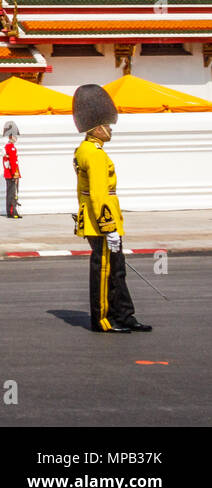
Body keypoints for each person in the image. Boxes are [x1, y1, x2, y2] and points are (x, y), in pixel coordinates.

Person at [72, 85, 151, 334]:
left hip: (103, 221)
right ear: (96, 127)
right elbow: (97, 194)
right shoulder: (93, 155)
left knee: (117, 270)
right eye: (107, 125)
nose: (111, 129)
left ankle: (124, 314)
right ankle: (104, 320)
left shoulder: (90, 150)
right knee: (105, 272)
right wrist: (109, 228)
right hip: (101, 223)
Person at [2, 121, 23, 219]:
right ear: (11, 137)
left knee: (9, 193)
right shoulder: (11, 148)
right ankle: (13, 211)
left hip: (8, 173)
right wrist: (16, 174)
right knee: (13, 193)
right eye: (15, 136)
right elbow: (13, 162)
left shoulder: (7, 147)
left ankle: (9, 211)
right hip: (12, 174)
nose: (16, 138)